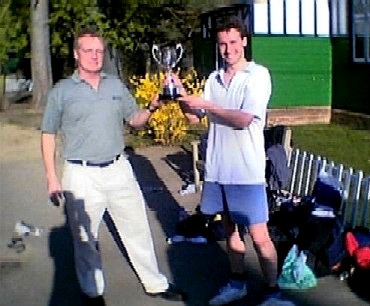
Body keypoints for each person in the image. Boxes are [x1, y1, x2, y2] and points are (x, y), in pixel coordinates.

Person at [40, 26, 186, 305]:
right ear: (76, 54)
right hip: (80, 174)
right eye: (88, 50)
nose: (94, 56)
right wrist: (51, 176)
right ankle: (92, 292)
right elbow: (48, 133)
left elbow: (134, 120)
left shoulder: (115, 86)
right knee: (84, 240)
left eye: (99, 51)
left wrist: (153, 106)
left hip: (119, 169)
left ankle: (154, 283)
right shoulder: (62, 91)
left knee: (137, 228)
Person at [176, 18, 282, 306]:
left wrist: (206, 105)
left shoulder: (258, 76)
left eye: (233, 42)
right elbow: (194, 118)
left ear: (244, 42)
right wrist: (180, 95)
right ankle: (238, 283)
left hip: (247, 172)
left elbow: (243, 119)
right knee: (230, 232)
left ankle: (274, 293)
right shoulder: (214, 79)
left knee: (260, 238)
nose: (228, 49)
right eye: (222, 44)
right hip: (218, 171)